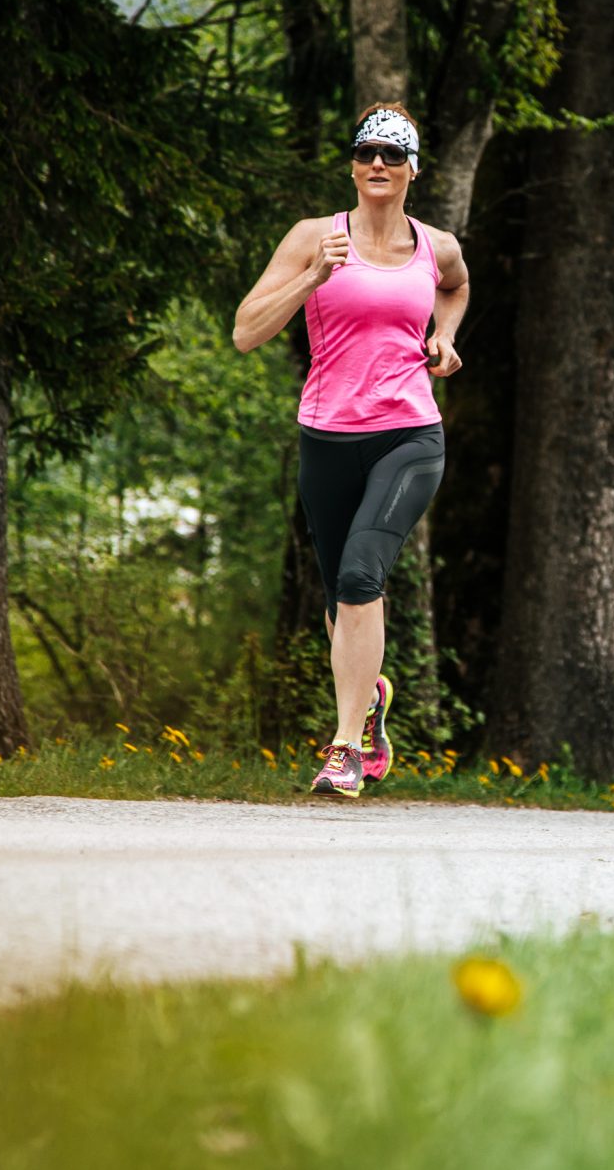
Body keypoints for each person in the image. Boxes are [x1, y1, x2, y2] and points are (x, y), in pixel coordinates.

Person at [231, 102, 468, 797]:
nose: (378, 165)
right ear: (353, 165)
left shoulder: (435, 246)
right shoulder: (314, 237)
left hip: (409, 435)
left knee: (363, 574)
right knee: (340, 597)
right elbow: (246, 331)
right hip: (326, 437)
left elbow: (455, 285)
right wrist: (312, 278)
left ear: (412, 170)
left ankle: (344, 749)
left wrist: (445, 337)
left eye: (393, 155)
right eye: (367, 152)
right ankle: (368, 699)